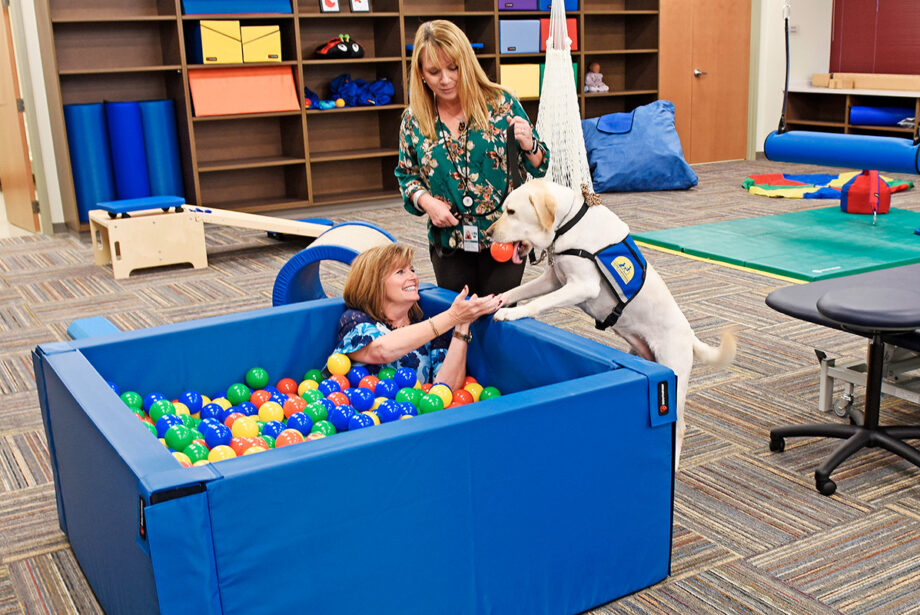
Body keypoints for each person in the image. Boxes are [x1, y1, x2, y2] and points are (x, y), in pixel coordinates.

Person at [395, 19, 550, 297]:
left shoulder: (501, 103)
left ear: (467, 63)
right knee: (457, 321)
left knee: (498, 318)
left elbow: (538, 165)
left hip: (504, 236)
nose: (445, 79)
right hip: (450, 242)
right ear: (420, 73)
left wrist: (529, 144)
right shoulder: (413, 119)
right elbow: (407, 176)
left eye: (453, 68)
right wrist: (427, 202)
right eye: (434, 71)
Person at [333, 244, 500, 390]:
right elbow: (381, 351)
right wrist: (452, 316)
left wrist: (462, 324)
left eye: (412, 270)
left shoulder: (429, 331)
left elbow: (447, 388)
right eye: (400, 272)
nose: (413, 277)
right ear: (373, 282)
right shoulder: (355, 319)